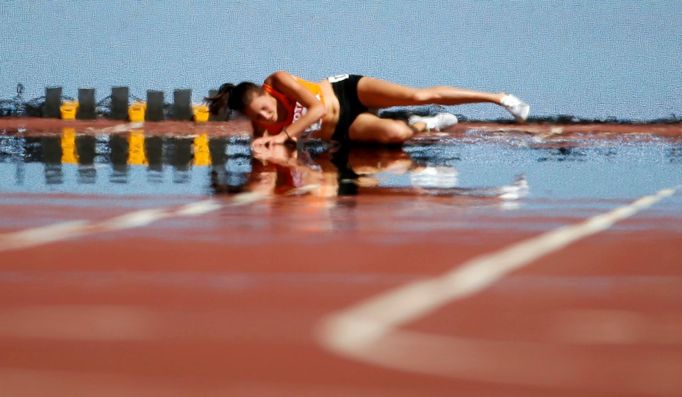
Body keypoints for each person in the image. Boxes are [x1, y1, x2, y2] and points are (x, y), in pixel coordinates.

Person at [206, 71, 529, 149]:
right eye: (256, 117)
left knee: (417, 94)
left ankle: (497, 97)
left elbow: (317, 108)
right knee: (395, 134)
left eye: (264, 109)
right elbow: (269, 149)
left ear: (265, 93)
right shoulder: (263, 127)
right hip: (343, 127)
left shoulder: (277, 81)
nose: (265, 117)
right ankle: (426, 125)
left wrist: (285, 136)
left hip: (345, 91)